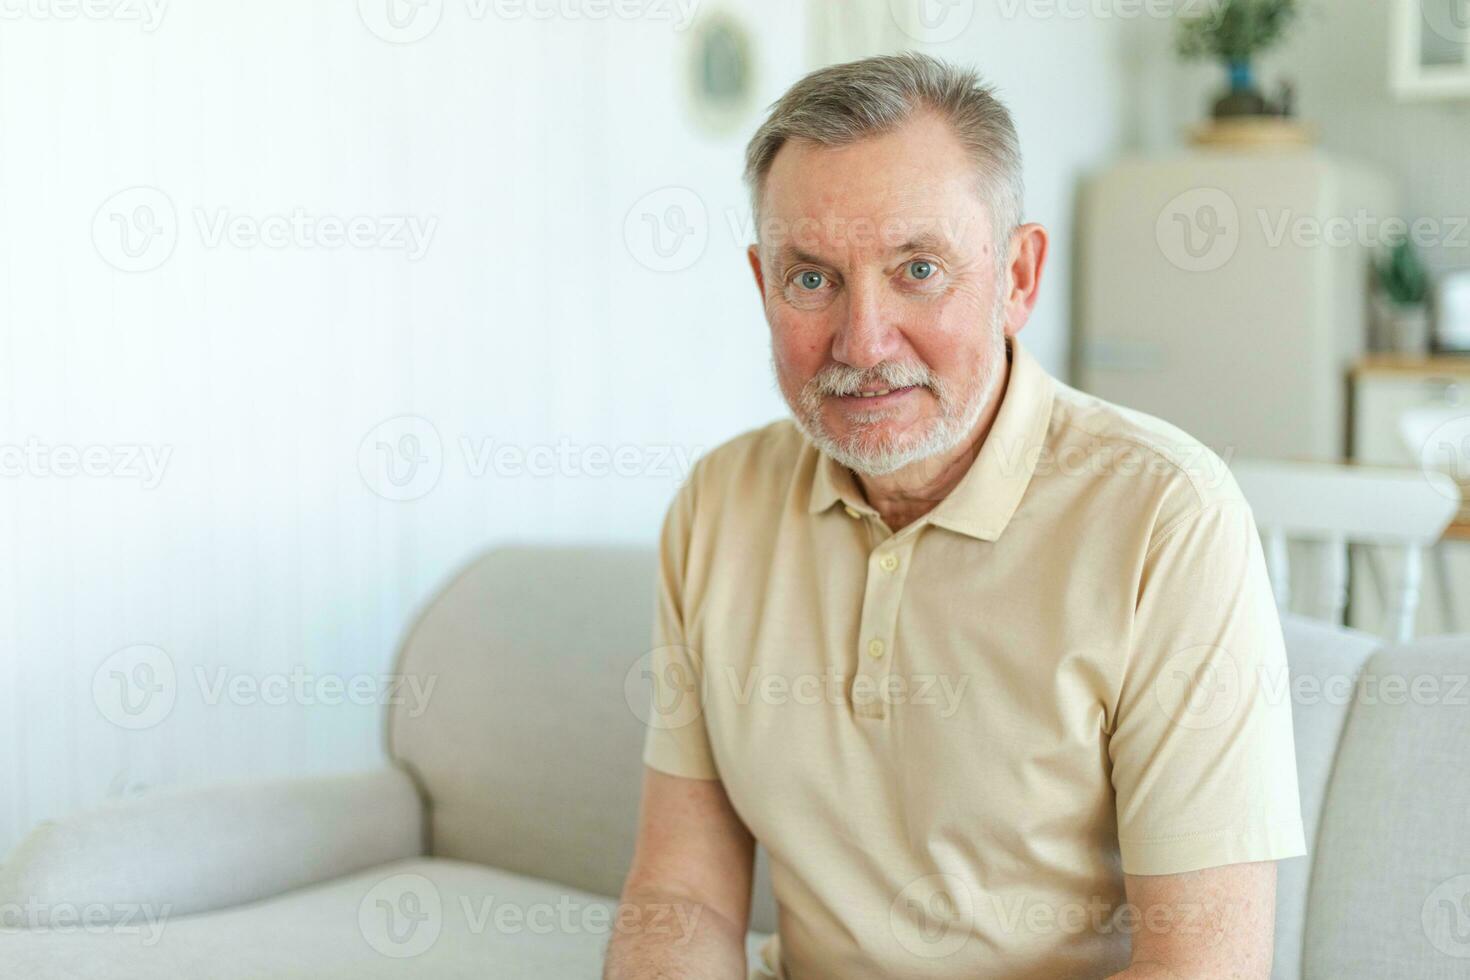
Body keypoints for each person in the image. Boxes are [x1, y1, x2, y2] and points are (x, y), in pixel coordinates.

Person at [605, 52, 1303, 980]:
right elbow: (680, 895)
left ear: (1017, 276)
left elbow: (1203, 967)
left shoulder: (1169, 519)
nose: (863, 341)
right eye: (810, 279)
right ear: (761, 285)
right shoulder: (717, 505)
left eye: (919, 269)